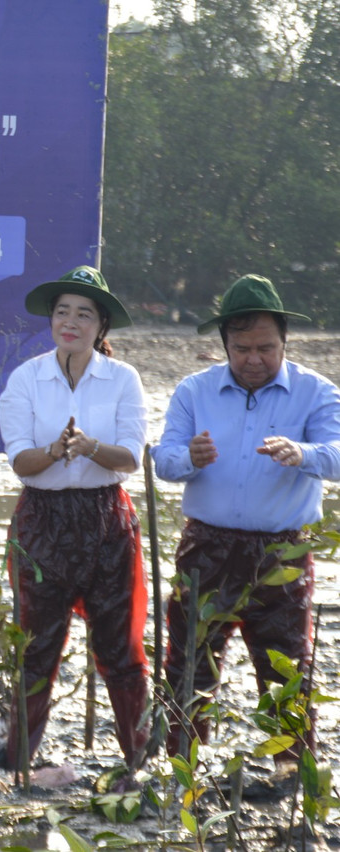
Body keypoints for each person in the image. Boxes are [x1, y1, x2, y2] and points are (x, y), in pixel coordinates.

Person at [153, 274, 340, 762]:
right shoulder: (194, 392)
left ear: (284, 342)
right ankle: (182, 768)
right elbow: (164, 460)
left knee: (285, 668)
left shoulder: (315, 393)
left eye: (266, 348)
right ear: (225, 345)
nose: (254, 359)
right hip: (205, 548)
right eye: (242, 349)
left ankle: (289, 771)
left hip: (281, 552)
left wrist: (304, 453)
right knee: (190, 662)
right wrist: (190, 457)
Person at [0, 265, 149, 779]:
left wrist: (90, 448)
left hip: (106, 518)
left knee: (121, 648)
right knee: (37, 648)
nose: (71, 322)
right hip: (43, 520)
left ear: (101, 327)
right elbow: (20, 461)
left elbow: (129, 456)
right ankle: (21, 765)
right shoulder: (26, 378)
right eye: (62, 311)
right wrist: (54, 450)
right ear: (51, 319)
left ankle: (139, 760)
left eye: (84, 314)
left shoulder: (122, 379)